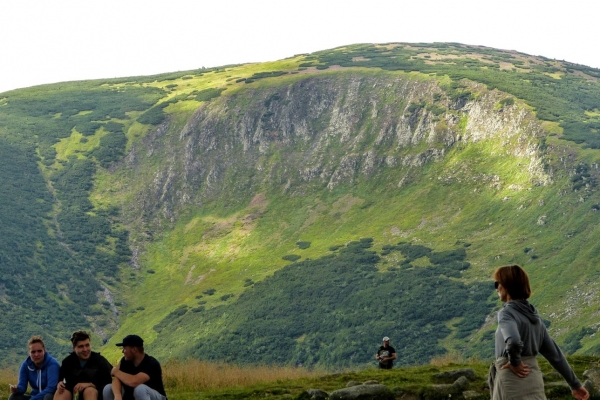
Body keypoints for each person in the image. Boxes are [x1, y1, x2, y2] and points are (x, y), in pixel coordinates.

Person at [491, 264, 589, 400]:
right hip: (533, 379)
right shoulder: (534, 317)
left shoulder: (507, 313)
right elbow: (555, 356)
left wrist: (515, 362)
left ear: (507, 286)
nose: (496, 288)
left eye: (498, 283)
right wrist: (575, 385)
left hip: (512, 380)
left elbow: (513, 341)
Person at [102, 335, 167, 400]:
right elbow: (117, 379)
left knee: (140, 389)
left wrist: (116, 371)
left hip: (155, 397)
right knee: (108, 388)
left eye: (124, 348)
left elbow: (134, 381)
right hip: (132, 397)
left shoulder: (151, 363)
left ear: (134, 350)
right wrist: (117, 395)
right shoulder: (125, 361)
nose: (123, 351)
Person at [54, 331, 113, 400]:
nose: (85, 349)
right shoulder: (67, 362)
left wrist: (90, 384)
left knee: (89, 391)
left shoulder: (99, 360)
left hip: (94, 393)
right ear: (74, 348)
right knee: (61, 392)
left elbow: (108, 381)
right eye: (81, 346)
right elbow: (60, 380)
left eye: (87, 345)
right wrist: (60, 384)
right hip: (72, 392)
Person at [9, 335, 60, 400]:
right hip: (34, 396)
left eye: (39, 351)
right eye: (33, 352)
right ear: (29, 353)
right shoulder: (25, 365)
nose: (36, 354)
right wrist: (16, 389)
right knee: (13, 397)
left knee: (48, 397)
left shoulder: (52, 364)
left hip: (49, 397)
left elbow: (51, 388)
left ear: (44, 351)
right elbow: (22, 387)